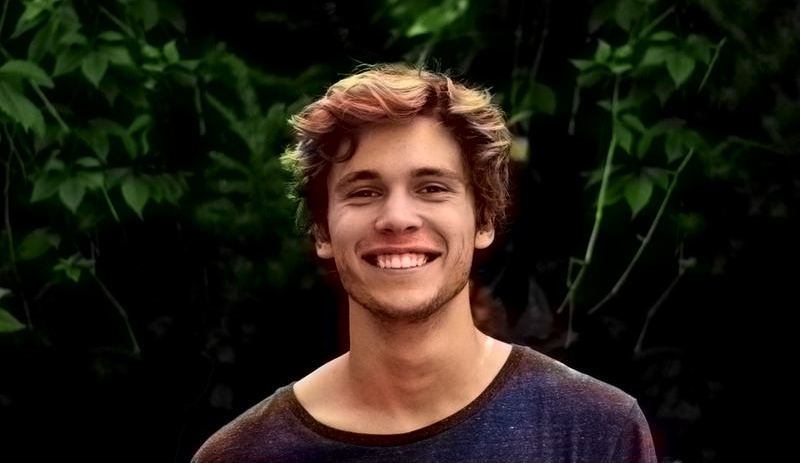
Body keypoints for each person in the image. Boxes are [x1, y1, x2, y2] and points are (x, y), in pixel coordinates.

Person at [191, 62, 658, 462]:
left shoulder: (596, 431)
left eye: (432, 188)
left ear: (484, 219)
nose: (397, 218)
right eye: (364, 192)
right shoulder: (241, 455)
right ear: (322, 231)